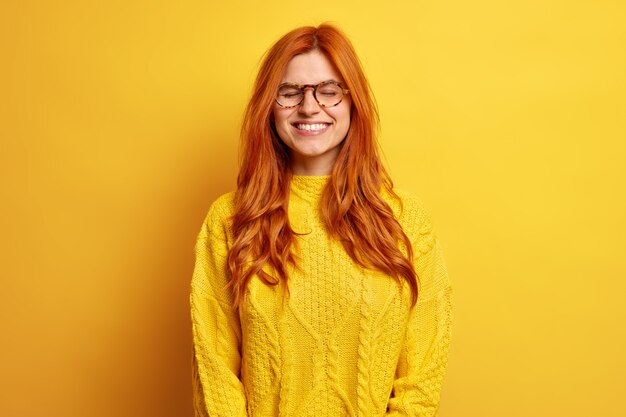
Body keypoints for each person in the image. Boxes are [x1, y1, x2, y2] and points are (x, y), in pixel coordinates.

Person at [190, 23, 452, 417]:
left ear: (353, 102)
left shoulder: (405, 220)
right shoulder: (229, 221)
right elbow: (215, 372)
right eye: (290, 92)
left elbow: (422, 378)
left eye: (329, 91)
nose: (309, 107)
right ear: (269, 105)